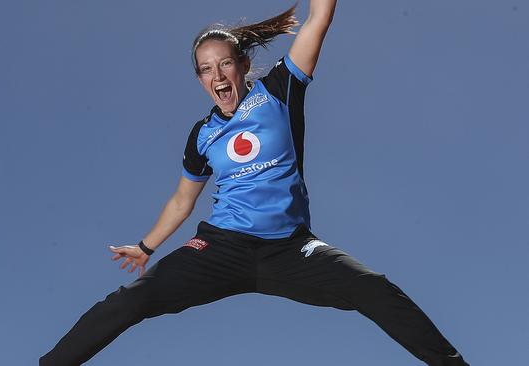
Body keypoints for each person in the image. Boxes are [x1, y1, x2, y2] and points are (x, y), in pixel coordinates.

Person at [40, 2, 469, 365]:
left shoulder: (281, 90)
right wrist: (146, 246)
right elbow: (182, 200)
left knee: (373, 288)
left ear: (243, 65)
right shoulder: (202, 134)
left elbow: (320, 17)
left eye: (225, 63)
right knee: (130, 301)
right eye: (206, 69)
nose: (218, 75)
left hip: (291, 249)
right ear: (200, 79)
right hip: (220, 248)